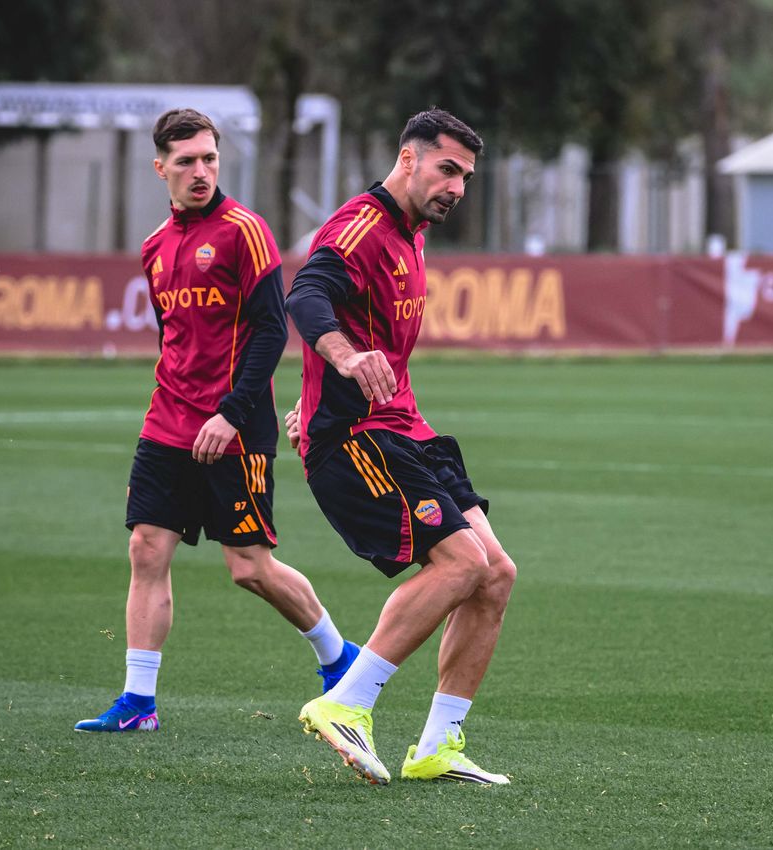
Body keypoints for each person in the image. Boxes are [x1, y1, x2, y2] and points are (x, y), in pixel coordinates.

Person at [74, 108, 357, 733]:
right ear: (161, 169)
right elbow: (176, 340)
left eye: (209, 159)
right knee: (146, 547)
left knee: (248, 567)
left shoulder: (244, 231)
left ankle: (339, 658)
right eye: (186, 162)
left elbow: (270, 330)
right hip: (167, 423)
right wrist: (174, 414)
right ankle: (138, 702)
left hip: (237, 429)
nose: (200, 172)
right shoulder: (154, 247)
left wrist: (230, 414)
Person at [284, 108, 516, 786]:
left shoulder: (412, 233)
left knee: (495, 575)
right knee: (460, 563)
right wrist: (344, 361)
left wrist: (321, 380)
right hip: (354, 440)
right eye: (448, 170)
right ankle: (344, 704)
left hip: (402, 428)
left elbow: (350, 319)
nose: (458, 188)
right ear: (408, 159)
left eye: (467, 176)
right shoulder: (360, 225)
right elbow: (307, 296)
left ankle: (437, 746)